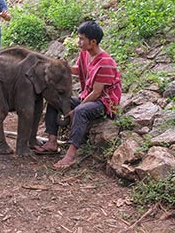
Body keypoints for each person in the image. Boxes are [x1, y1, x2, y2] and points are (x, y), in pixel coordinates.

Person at [33, 20, 122, 170]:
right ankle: (52, 142)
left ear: (93, 42)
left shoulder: (106, 63)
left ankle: (71, 155)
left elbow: (97, 93)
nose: (79, 42)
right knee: (55, 101)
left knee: (80, 111)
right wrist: (60, 67)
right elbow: (78, 70)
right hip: (88, 96)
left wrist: (76, 108)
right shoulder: (85, 54)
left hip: (104, 103)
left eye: (82, 39)